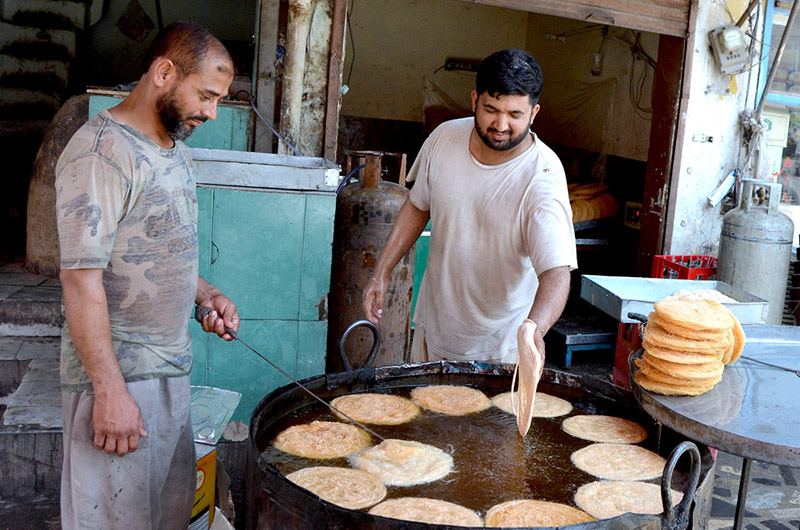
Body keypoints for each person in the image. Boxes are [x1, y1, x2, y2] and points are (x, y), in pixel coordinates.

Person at [55, 22, 239, 530]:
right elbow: (80, 279)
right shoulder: (102, 153)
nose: (211, 112)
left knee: (161, 518)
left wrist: (206, 295)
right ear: (164, 72)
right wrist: (110, 392)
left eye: (219, 100)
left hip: (167, 373)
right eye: (205, 95)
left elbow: (152, 250)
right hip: (118, 379)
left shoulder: (175, 152)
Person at [363, 49, 577, 367]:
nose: (501, 124)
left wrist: (535, 328)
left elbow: (556, 273)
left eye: (515, 115)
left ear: (533, 114)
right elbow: (418, 206)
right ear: (475, 100)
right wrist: (380, 272)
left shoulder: (541, 178)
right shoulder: (443, 139)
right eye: (491, 109)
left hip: (500, 349)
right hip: (432, 332)